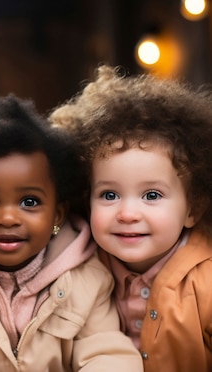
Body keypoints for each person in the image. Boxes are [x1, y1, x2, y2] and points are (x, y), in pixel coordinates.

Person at [0, 95, 143, 371]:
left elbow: (106, 352)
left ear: (57, 215)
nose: (7, 218)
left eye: (29, 202)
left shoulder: (88, 281)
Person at [49, 65, 212, 371]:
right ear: (86, 197)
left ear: (193, 208)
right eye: (109, 195)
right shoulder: (77, 271)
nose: (127, 214)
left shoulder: (207, 283)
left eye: (152, 195)